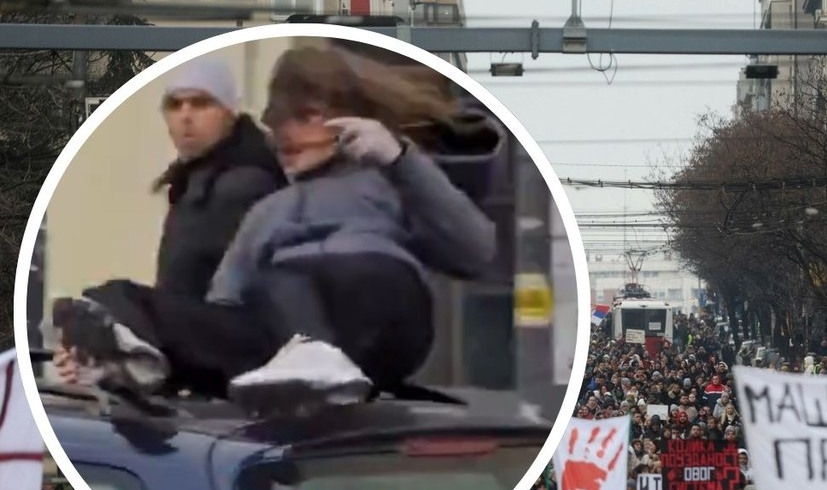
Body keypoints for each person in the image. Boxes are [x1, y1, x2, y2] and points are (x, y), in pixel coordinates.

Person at [53, 45, 499, 413]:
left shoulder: (388, 183)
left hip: (379, 310)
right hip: (282, 333)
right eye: (278, 122)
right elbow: (222, 312)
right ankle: (121, 358)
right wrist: (158, 339)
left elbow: (474, 251)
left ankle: (318, 355)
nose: (285, 134)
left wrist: (399, 159)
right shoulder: (267, 211)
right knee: (109, 299)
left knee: (291, 274)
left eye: (305, 117)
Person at [53, 57, 287, 386]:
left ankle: (114, 358)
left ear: (229, 111)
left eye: (201, 103)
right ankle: (103, 357)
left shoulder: (242, 184)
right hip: (217, 343)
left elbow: (200, 289)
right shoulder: (200, 179)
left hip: (234, 348)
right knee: (100, 311)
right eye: (175, 105)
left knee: (113, 299)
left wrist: (157, 340)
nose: (186, 116)